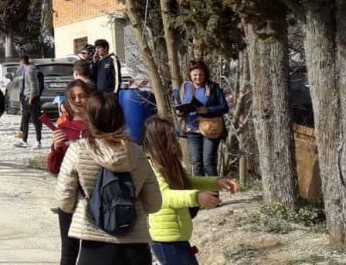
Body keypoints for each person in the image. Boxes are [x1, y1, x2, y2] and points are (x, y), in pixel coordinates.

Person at [56, 92, 162, 265]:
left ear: (89, 119)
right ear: (121, 118)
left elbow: (64, 201)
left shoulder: (78, 151)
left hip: (94, 245)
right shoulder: (137, 153)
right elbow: (154, 203)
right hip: (135, 246)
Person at [143, 116, 238, 265]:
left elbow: (188, 181)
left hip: (179, 237)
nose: (176, 142)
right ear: (160, 141)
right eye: (171, 138)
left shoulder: (169, 163)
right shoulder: (152, 167)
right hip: (166, 240)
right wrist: (196, 197)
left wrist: (217, 182)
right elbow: (164, 196)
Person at [45, 80, 92, 265]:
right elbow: (53, 168)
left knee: (93, 251)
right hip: (70, 198)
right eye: (74, 97)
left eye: (82, 96)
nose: (79, 100)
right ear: (69, 102)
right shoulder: (63, 129)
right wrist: (57, 147)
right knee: (69, 251)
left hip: (94, 198)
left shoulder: (98, 127)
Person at [176, 61, 229, 177]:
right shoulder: (184, 87)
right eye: (195, 75)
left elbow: (225, 107)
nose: (198, 77)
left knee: (208, 163)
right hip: (192, 129)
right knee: (196, 163)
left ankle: (213, 194)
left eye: (201, 75)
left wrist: (208, 110)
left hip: (210, 129)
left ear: (205, 75)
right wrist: (181, 111)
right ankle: (202, 193)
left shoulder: (213, 88)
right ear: (190, 75)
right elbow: (180, 102)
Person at [15, 56, 44, 149]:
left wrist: (31, 98)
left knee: (36, 120)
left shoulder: (29, 71)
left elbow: (33, 85)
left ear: (22, 62)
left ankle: (38, 141)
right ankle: (24, 140)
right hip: (26, 97)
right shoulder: (29, 69)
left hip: (31, 98)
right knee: (25, 119)